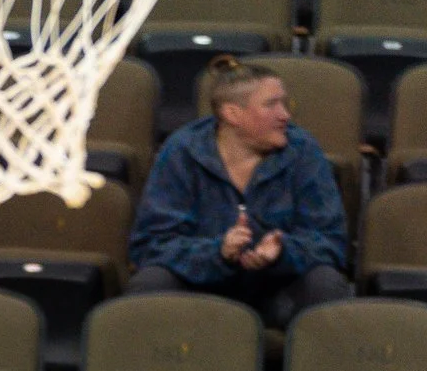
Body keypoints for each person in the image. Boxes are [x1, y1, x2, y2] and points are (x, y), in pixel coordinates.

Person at [127, 54, 351, 330]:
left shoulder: (302, 150)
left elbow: (330, 242)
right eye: (272, 104)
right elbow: (152, 244)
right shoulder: (182, 151)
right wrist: (218, 253)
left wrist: (281, 253)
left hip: (278, 293)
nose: (285, 115)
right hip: (199, 290)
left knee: (325, 282)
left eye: (283, 102)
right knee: (151, 281)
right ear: (232, 114)